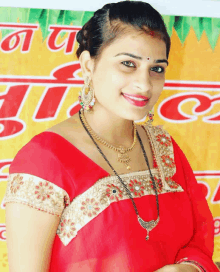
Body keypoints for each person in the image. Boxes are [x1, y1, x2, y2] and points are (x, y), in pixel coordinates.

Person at [4, 1, 219, 271]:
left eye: (157, 69)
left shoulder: (164, 147)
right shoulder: (44, 161)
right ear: (87, 65)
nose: (144, 84)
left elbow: (199, 239)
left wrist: (187, 268)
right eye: (128, 64)